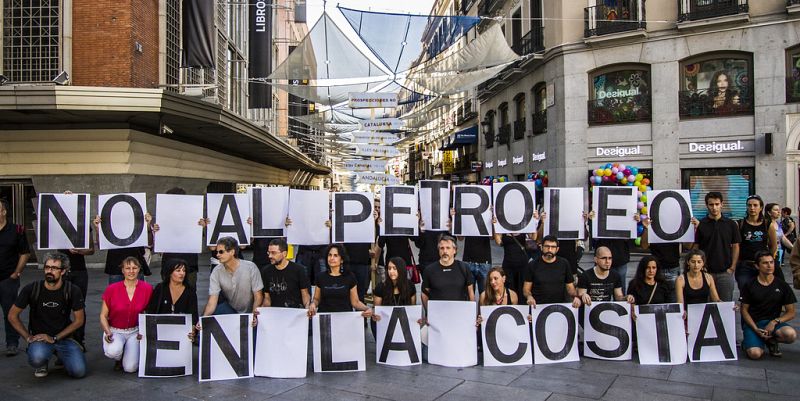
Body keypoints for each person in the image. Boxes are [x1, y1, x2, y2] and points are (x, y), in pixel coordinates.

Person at [8, 253, 86, 378]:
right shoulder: (32, 288)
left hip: (64, 338)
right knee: (37, 358)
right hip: (40, 339)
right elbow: (12, 315)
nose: (49, 271)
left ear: (63, 271)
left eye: (54, 268)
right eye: (47, 267)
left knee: (79, 372)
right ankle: (43, 361)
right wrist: (28, 337)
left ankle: (61, 355)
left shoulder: (72, 290)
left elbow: (79, 321)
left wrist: (55, 338)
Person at [100, 256, 153, 372]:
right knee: (113, 351)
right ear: (122, 270)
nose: (131, 271)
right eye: (128, 268)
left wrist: (144, 332)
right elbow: (103, 315)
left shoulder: (147, 289)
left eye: (134, 268)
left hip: (134, 331)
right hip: (115, 330)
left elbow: (150, 313)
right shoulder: (112, 289)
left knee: (130, 368)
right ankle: (118, 355)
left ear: (139, 269)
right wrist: (107, 331)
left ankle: (126, 353)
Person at [740, 251, 797, 359]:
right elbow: (744, 310)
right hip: (754, 324)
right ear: (757, 266)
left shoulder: (782, 285)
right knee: (755, 354)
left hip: (773, 324)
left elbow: (791, 312)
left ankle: (771, 339)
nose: (769, 266)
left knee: (791, 335)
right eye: (765, 263)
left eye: (771, 262)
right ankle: (752, 342)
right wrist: (755, 329)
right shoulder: (749, 284)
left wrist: (774, 322)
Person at [692, 191, 741, 302]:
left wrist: (732, 267)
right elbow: (697, 247)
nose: (714, 207)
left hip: (725, 272)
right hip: (705, 272)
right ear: (706, 205)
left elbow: (736, 246)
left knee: (725, 305)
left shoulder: (731, 224)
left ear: (722, 204)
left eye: (717, 204)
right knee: (706, 304)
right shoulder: (702, 225)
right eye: (711, 204)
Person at [200, 236, 263, 318]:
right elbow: (212, 300)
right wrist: (203, 320)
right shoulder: (216, 271)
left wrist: (254, 316)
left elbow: (258, 296)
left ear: (232, 252)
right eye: (217, 252)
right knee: (213, 311)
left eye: (221, 252)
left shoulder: (250, 267)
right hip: (230, 311)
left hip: (250, 312)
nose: (217, 255)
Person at [0, 198, 31, 356]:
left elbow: (24, 253)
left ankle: (12, 344)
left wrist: (16, 273)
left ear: (4, 212)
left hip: (8, 279)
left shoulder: (16, 230)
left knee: (9, 312)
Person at [307, 244, 372, 317]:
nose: (332, 258)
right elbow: (317, 299)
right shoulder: (320, 277)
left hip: (344, 319)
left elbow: (355, 302)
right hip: (325, 319)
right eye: (330, 255)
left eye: (335, 255)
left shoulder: (350, 277)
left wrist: (367, 309)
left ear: (341, 260)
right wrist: (313, 304)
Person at [522, 235, 580, 307]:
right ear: (541, 247)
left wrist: (576, 297)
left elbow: (570, 288)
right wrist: (529, 297)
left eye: (553, 247)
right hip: (538, 306)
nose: (549, 250)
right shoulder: (532, 264)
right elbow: (526, 289)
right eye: (547, 246)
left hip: (559, 306)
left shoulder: (564, 263)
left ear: (557, 249)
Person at [94, 214, 153, 284]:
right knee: (117, 293)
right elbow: (100, 244)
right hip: (115, 266)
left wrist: (148, 227)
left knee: (138, 293)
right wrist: (98, 230)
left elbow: (149, 243)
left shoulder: (138, 215)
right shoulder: (109, 216)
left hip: (135, 264)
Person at [421, 235, 475, 309]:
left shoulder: (464, 267)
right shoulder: (429, 270)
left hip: (460, 313)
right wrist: (429, 313)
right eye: (442, 248)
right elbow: (424, 294)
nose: (445, 251)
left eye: (448, 248)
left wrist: (471, 313)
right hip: (438, 314)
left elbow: (470, 292)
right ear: (438, 250)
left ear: (454, 250)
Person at [735, 195, 777, 290]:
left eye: (755, 205)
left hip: (763, 265)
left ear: (761, 207)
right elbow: (735, 246)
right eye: (749, 205)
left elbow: (774, 245)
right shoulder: (740, 224)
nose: (752, 208)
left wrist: (769, 260)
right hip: (745, 265)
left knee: (766, 290)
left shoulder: (767, 224)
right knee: (745, 289)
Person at [145, 258, 199, 331]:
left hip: (182, 331)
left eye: (184, 270)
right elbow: (151, 311)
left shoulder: (190, 291)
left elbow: (194, 315)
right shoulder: (160, 288)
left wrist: (193, 330)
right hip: (161, 331)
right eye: (178, 270)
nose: (182, 273)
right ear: (170, 272)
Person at [260, 238, 311, 309]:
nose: (270, 256)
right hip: (274, 313)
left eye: (273, 253)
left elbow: (305, 294)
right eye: (269, 253)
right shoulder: (266, 271)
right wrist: (263, 310)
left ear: (284, 254)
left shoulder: (298, 270)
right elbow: (267, 297)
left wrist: (307, 307)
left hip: (294, 313)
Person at [675, 250, 722, 317]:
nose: (696, 265)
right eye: (693, 262)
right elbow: (680, 302)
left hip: (704, 315)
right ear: (688, 262)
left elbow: (716, 299)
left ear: (703, 263)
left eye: (699, 262)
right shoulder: (680, 280)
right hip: (687, 315)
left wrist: (729, 306)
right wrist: (683, 311)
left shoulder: (708, 277)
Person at [639, 215, 682, 284]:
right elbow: (644, 246)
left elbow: (688, 246)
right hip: (656, 269)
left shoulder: (676, 224)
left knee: (673, 294)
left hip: (673, 268)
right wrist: (646, 228)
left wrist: (691, 228)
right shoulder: (652, 223)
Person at [494, 232, 533, 301]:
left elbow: (533, 237)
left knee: (522, 289)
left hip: (522, 264)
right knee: (509, 289)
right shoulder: (503, 229)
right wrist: (495, 225)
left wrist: (534, 222)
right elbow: (498, 242)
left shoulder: (524, 227)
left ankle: (523, 309)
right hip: (508, 264)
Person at [766, 202, 792, 279]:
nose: (779, 212)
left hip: (778, 254)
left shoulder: (777, 223)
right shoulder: (766, 224)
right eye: (776, 210)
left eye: (779, 210)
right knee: (779, 278)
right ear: (769, 212)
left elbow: (783, 238)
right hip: (769, 255)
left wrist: (794, 248)